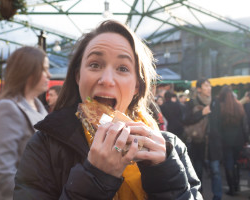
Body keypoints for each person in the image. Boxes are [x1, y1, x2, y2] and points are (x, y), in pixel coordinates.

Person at [14, 20, 202, 200]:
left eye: (122, 68)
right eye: (95, 65)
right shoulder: (45, 147)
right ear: (78, 76)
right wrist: (96, 177)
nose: (107, 79)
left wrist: (167, 178)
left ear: (137, 85)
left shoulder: (170, 148)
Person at [0, 46, 50, 200]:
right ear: (28, 72)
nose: (49, 74)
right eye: (44, 69)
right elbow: (2, 170)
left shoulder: (41, 109)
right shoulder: (7, 108)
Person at [183, 78, 223, 200]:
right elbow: (186, 120)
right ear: (199, 89)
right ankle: (199, 196)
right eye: (206, 86)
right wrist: (202, 113)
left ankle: (217, 197)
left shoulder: (215, 102)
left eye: (209, 86)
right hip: (198, 143)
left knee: (216, 172)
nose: (209, 88)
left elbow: (220, 122)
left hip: (213, 143)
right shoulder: (191, 103)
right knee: (198, 172)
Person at [217, 85, 248, 196]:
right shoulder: (239, 106)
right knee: (236, 162)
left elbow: (218, 126)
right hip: (238, 139)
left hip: (226, 140)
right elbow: (245, 125)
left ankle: (232, 188)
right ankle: (237, 185)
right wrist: (246, 139)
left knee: (228, 164)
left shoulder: (221, 107)